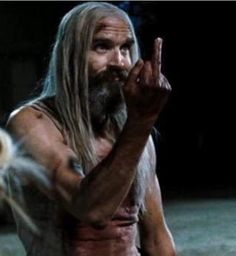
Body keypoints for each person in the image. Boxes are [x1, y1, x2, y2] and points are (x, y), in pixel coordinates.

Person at [6, 2, 176, 256]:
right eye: (102, 46)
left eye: (126, 48)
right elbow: (90, 208)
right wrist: (141, 122)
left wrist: (139, 125)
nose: (119, 62)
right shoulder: (32, 123)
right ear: (70, 55)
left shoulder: (134, 135)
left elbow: (156, 237)